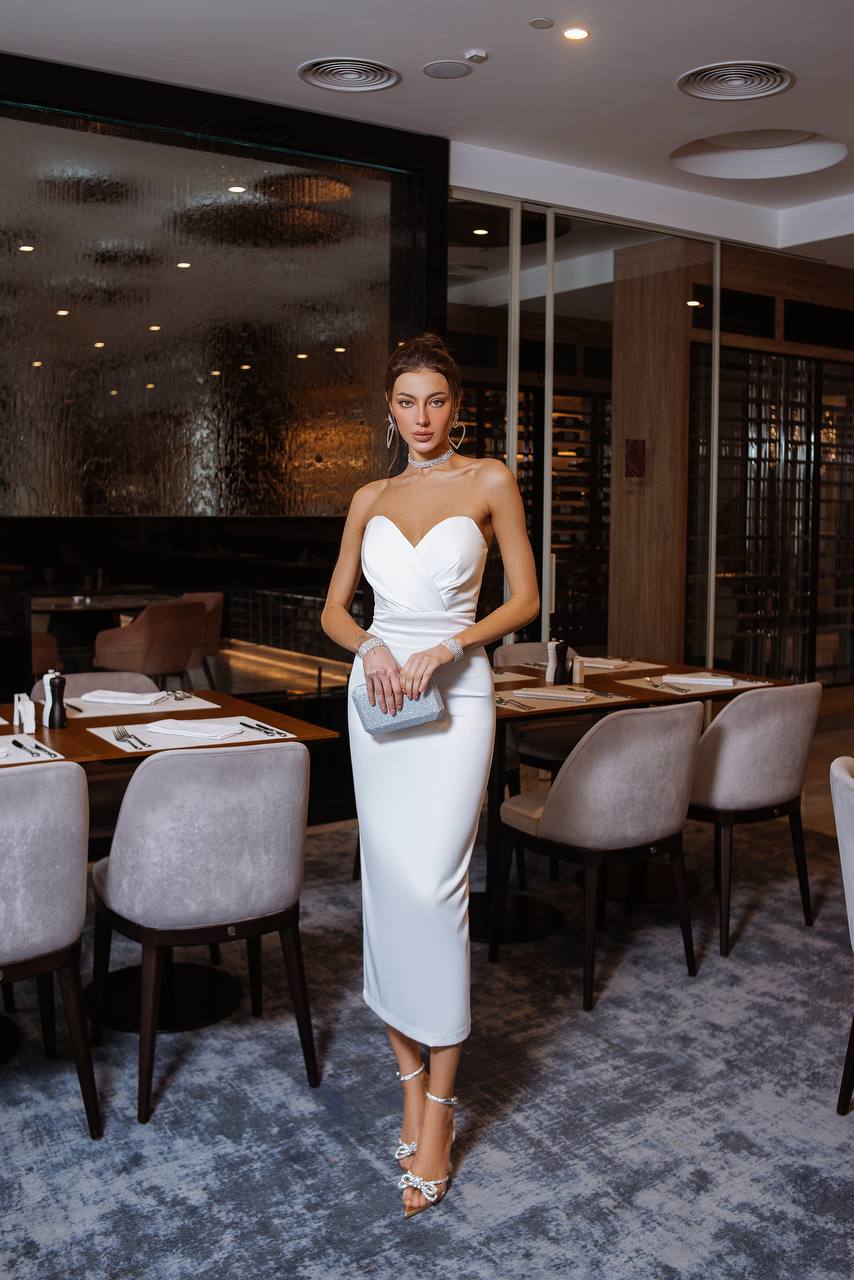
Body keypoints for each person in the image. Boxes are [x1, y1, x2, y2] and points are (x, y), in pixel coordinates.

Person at [321, 333, 539, 1218]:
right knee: (386, 887)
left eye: (435, 401)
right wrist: (373, 644)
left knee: (434, 886)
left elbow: (524, 599)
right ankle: (410, 1082)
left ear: (457, 406)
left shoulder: (488, 480)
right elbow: (335, 610)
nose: (421, 417)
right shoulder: (370, 495)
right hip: (377, 707)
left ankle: (440, 1112)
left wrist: (449, 646)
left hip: (457, 701)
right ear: (389, 408)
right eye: (406, 402)